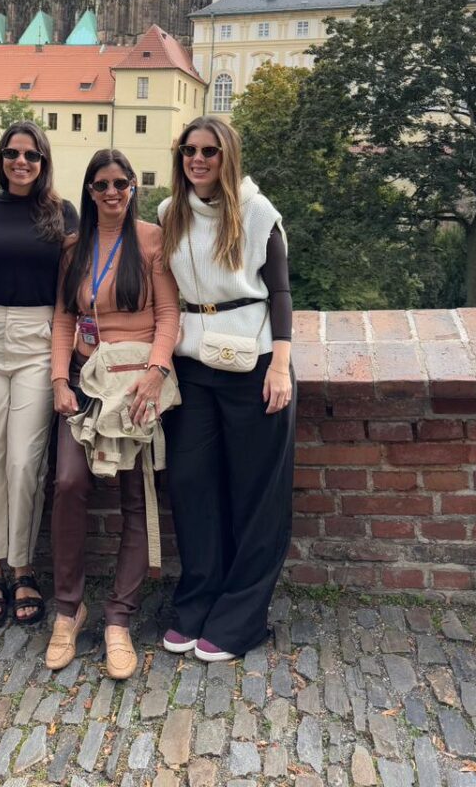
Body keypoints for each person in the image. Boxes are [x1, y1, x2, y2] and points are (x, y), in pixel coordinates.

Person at [158, 115, 294, 662]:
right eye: (189, 150)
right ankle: (198, 599)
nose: (198, 159)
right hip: (192, 364)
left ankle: (243, 616)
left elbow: (280, 293)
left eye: (209, 151)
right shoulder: (170, 213)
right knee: (192, 487)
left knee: (256, 495)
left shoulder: (258, 213)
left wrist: (280, 366)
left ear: (227, 154)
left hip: (253, 362)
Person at [47, 149, 180, 679]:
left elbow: (169, 314)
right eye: (101, 184)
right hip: (87, 384)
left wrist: (157, 371)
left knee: (134, 495)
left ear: (132, 188)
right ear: (90, 189)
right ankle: (67, 608)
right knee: (68, 484)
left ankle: (119, 618)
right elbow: (63, 317)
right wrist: (60, 379)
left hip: (137, 385)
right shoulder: (74, 247)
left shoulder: (151, 240)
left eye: (121, 183)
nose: (112, 192)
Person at [0, 121, 77, 629]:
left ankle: (22, 564)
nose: (21, 162)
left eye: (31, 155)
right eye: (12, 153)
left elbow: (78, 285)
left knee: (25, 461)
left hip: (40, 337)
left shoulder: (62, 213)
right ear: (0, 158)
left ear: (44, 161)